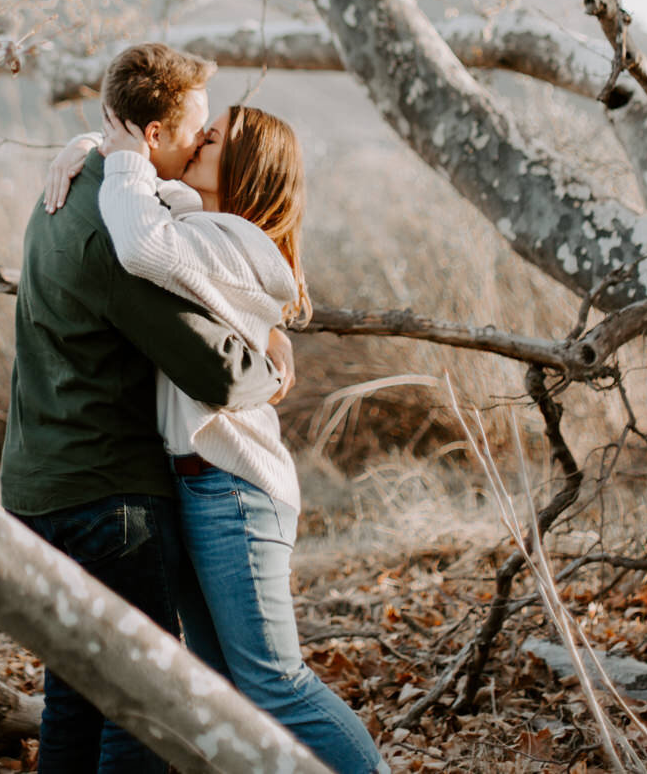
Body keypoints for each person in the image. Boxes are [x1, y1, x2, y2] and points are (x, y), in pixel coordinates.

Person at [44, 102, 389, 774]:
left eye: (213, 137)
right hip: (200, 484)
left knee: (274, 683)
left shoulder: (234, 237)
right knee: (223, 688)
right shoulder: (202, 226)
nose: (197, 141)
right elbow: (142, 190)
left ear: (247, 166)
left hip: (234, 487)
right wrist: (91, 144)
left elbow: (140, 239)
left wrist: (114, 155)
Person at [1, 42, 292, 774]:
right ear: (154, 135)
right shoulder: (114, 222)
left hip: (34, 484)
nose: (201, 142)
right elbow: (216, 373)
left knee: (76, 693)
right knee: (144, 705)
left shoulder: (65, 192)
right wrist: (275, 373)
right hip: (108, 500)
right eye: (197, 128)